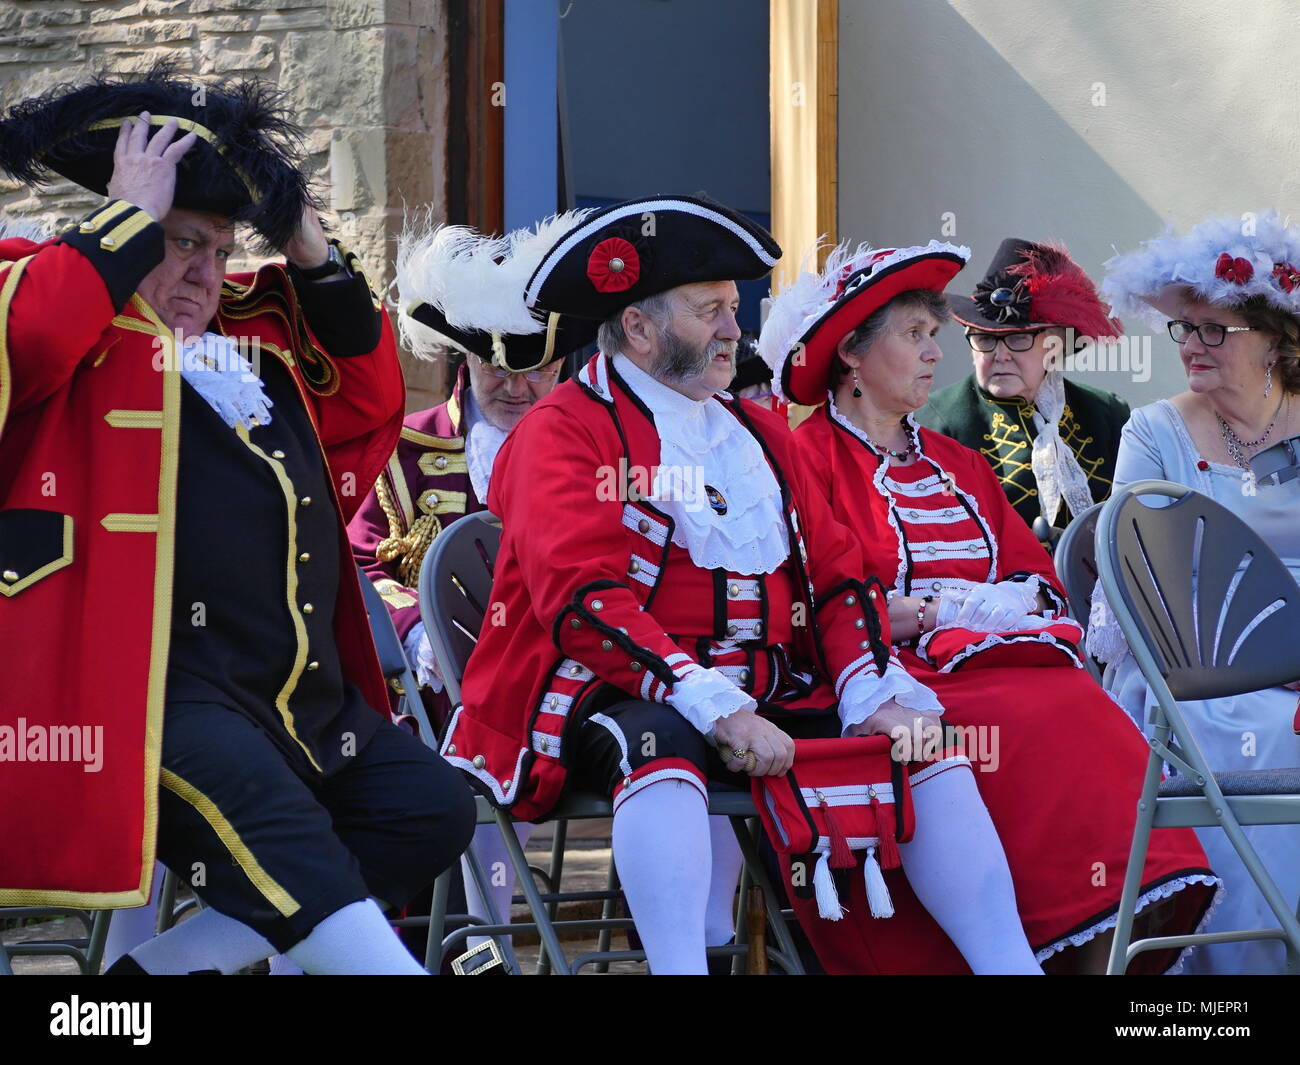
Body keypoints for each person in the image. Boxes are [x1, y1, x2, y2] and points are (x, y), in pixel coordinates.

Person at [441, 194, 1063, 975]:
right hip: (601, 690)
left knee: (922, 742)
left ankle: (1011, 967)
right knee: (657, 744)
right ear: (639, 327)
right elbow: (582, 599)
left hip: (763, 690)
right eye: (711, 311)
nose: (736, 329)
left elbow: (839, 575)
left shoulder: (760, 432)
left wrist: (870, 687)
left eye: (734, 307)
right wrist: (715, 705)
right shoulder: (564, 431)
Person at [0, 68, 474, 975]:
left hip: (290, 700)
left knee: (428, 807)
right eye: (181, 244)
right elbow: (32, 337)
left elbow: (369, 394)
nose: (205, 275)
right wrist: (126, 217)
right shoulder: (52, 308)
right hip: (139, 698)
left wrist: (308, 246)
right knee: (290, 844)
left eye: (220, 250)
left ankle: (130, 994)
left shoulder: (241, 357)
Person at [759, 238, 1218, 973]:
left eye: (934, 336)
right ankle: (1027, 948)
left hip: (1009, 668)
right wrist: (940, 612)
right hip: (895, 686)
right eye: (915, 336)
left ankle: (1101, 945)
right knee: (1035, 720)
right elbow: (815, 606)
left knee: (1085, 706)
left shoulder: (957, 464)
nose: (935, 355)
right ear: (851, 352)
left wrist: (944, 607)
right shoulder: (801, 459)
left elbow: (1034, 580)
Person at [348, 212, 596, 972]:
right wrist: (416, 631)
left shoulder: (593, 455)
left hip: (551, 691)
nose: (516, 386)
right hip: (424, 704)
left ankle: (482, 942)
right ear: (464, 360)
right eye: (497, 368)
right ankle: (454, 943)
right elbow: (357, 563)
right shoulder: (407, 447)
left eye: (535, 367)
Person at [1094, 210, 1300, 974]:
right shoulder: (1155, 431)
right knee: (1274, 733)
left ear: (1273, 336)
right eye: (1183, 329)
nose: (1190, 346)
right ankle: (1232, 975)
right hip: (1197, 674)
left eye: (1214, 330)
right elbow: (1149, 587)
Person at [917, 238, 1130, 536]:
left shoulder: (1107, 413)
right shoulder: (935, 423)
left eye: (1018, 339)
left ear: (1054, 346)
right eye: (985, 339)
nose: (1000, 355)